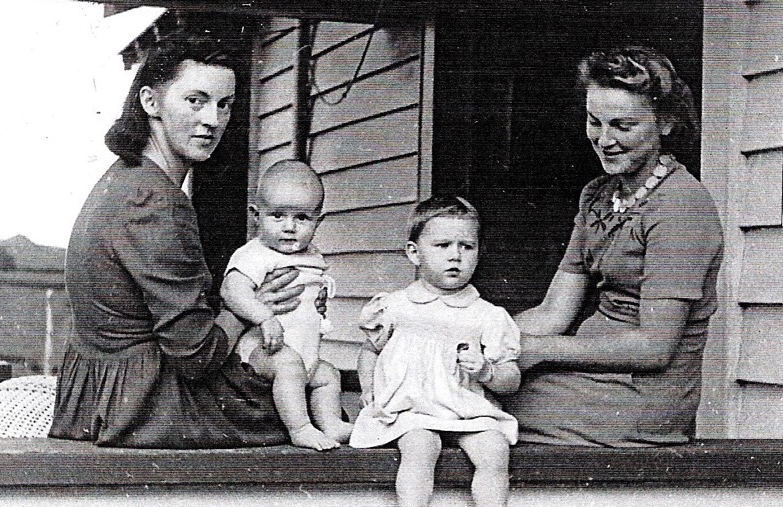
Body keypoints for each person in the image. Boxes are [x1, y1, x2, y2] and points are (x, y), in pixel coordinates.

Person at [49, 34, 310, 448]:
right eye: (196, 100)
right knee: (305, 401)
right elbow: (196, 355)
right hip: (145, 406)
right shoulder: (157, 202)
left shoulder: (124, 178)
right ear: (150, 102)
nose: (213, 119)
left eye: (224, 104)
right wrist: (250, 307)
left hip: (96, 397)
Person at [503, 46, 724, 447]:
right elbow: (554, 312)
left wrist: (539, 350)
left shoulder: (681, 206)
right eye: (594, 122)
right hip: (585, 377)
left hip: (643, 397)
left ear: (666, 122)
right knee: (457, 379)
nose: (604, 140)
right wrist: (472, 331)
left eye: (623, 125)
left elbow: (654, 347)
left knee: (468, 402)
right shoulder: (597, 196)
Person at [350, 196, 521, 507]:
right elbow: (371, 352)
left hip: (466, 409)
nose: (455, 256)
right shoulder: (395, 306)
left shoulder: (487, 314)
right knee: (420, 446)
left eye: (466, 247)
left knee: (495, 449)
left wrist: (486, 371)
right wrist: (369, 391)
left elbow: (511, 378)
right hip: (411, 412)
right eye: (443, 246)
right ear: (414, 253)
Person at [221, 159, 353, 451]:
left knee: (328, 374)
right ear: (256, 216)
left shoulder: (311, 255)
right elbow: (232, 289)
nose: (290, 227)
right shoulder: (255, 254)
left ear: (319, 220)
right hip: (261, 350)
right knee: (290, 367)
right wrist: (265, 317)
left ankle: (331, 423)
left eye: (302, 218)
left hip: (304, 350)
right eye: (277, 216)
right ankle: (300, 428)